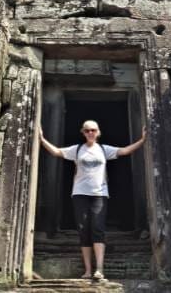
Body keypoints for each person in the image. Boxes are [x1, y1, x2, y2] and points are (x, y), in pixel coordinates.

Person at [38, 120, 146, 281]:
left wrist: (143, 140)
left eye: (93, 130)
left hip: (99, 194)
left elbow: (124, 151)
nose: (90, 133)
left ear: (98, 132)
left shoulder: (104, 150)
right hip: (80, 194)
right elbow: (57, 152)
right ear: (83, 132)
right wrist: (41, 139)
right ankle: (88, 270)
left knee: (98, 228)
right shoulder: (77, 149)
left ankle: (99, 269)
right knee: (83, 231)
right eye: (87, 130)